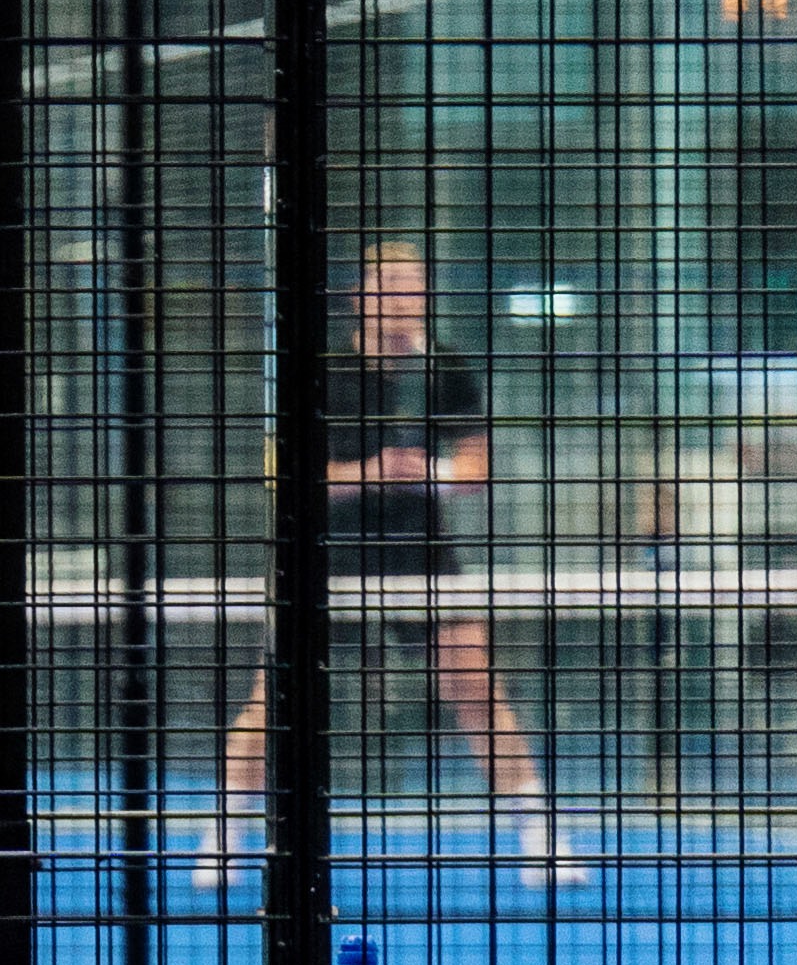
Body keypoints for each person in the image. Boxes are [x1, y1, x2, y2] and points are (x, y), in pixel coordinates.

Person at [215, 237, 565, 892]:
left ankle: (539, 833)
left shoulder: (445, 369)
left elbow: (475, 468)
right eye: (395, 285)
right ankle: (229, 833)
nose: (409, 298)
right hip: (327, 556)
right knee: (274, 698)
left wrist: (427, 476)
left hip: (421, 556)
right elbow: (284, 476)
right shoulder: (318, 370)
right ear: (362, 296)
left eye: (417, 286)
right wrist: (367, 475)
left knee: (475, 685)